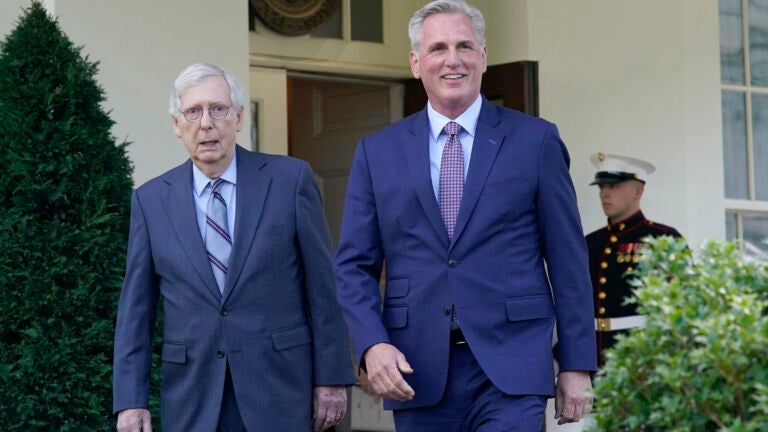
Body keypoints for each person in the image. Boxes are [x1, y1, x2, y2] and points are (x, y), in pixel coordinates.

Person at [333, 1, 597, 430]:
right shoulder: (377, 152)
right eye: (437, 48)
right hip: (417, 369)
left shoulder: (536, 141)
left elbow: (568, 261)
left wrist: (576, 363)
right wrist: (372, 344)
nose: (452, 60)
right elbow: (352, 266)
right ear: (416, 63)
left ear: (484, 56)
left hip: (512, 366)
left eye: (464, 47)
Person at [112, 62, 354, 432]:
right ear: (177, 125)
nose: (206, 123)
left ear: (239, 118)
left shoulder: (289, 181)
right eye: (193, 112)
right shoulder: (150, 201)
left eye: (218, 109)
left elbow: (323, 288)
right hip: (193, 396)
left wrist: (333, 377)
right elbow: (136, 312)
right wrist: (131, 401)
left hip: (280, 389)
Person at [585, 152, 683, 366]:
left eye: (614, 186)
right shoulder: (591, 243)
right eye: (602, 187)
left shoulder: (663, 239)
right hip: (593, 357)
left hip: (641, 356)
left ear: (638, 190)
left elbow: (682, 304)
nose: (604, 194)